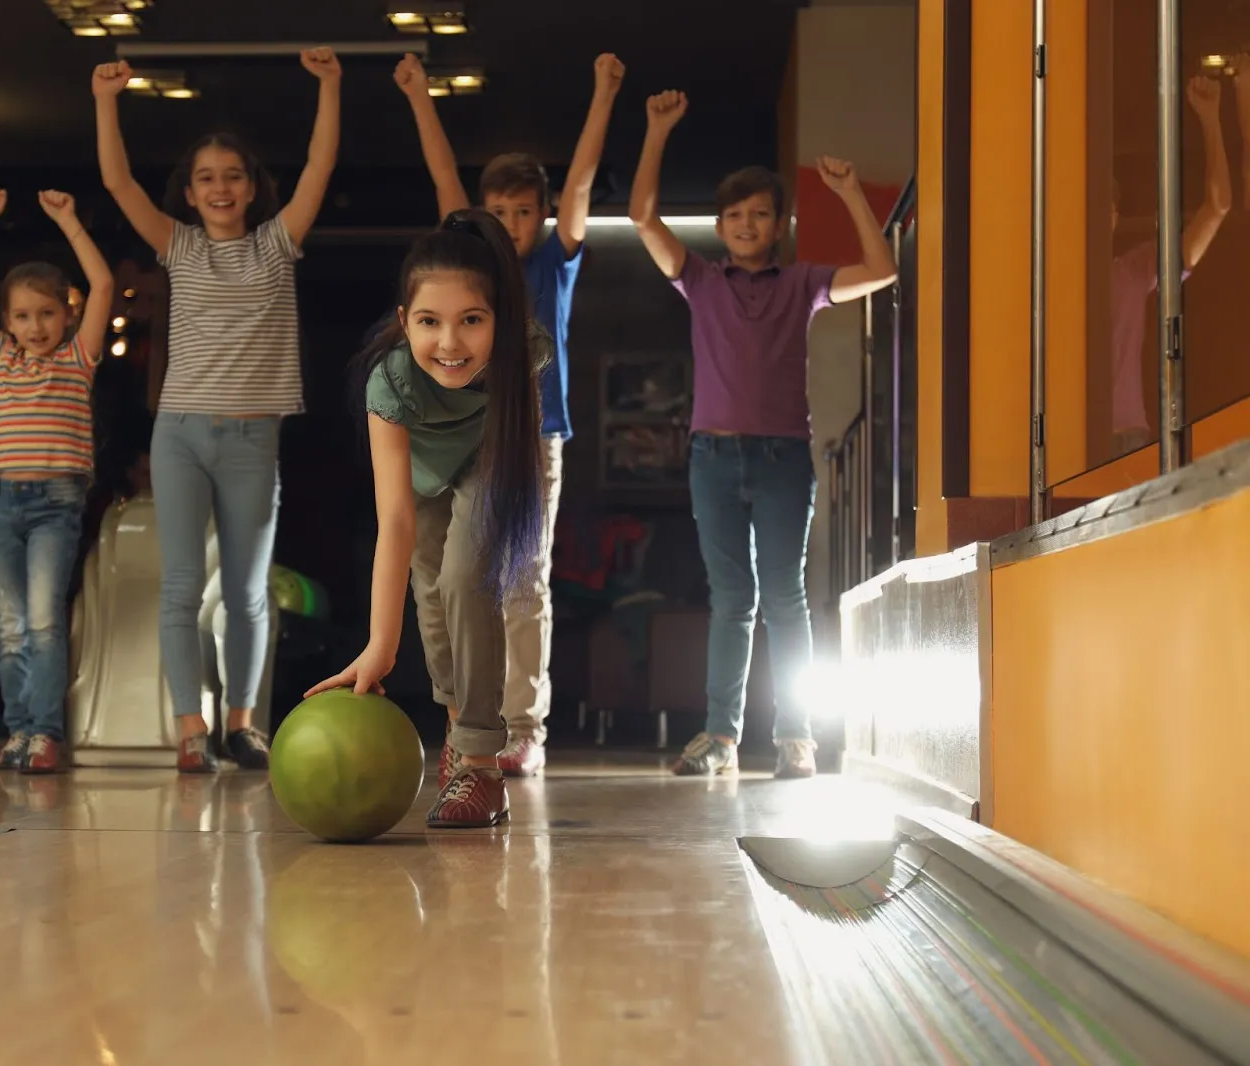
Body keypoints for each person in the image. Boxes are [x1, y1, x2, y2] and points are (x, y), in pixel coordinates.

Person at [628, 89, 897, 780]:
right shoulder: (700, 280)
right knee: (731, 599)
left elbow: (885, 269)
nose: (747, 224)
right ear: (719, 226)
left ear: (779, 224)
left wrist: (850, 195)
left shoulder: (804, 282)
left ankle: (796, 740)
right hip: (711, 457)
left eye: (760, 214)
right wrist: (657, 131)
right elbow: (641, 218)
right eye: (735, 216)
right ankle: (720, 737)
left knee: (784, 597)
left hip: (782, 460)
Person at [91, 49, 341, 773]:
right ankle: (189, 729)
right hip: (181, 435)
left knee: (246, 589)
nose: (221, 187)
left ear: (254, 186)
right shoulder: (177, 245)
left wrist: (328, 86)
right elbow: (115, 179)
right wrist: (106, 100)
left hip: (252, 438)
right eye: (207, 178)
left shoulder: (277, 243)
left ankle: (242, 723)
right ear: (190, 192)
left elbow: (320, 168)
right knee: (179, 586)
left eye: (233, 175)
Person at [392, 51, 624, 778]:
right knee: (446, 577)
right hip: (459, 438)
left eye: (527, 210)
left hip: (533, 440)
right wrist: (419, 97)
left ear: (544, 215)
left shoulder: (554, 261)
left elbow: (582, 179)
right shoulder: (467, 269)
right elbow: (442, 179)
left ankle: (525, 727)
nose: (515, 222)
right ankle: (467, 716)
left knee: (523, 581)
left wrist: (604, 92)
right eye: (502, 211)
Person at [306, 208, 547, 829]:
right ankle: (457, 727)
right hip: (423, 481)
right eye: (429, 322)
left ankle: (481, 765)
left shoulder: (525, 355)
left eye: (472, 320)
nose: (450, 342)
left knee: (469, 577)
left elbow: (515, 449)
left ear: (501, 321)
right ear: (403, 323)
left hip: (490, 461)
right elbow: (395, 522)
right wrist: (379, 650)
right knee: (433, 601)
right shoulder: (390, 383)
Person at [0, 187, 115, 773]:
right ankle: (18, 730)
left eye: (47, 313)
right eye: (22, 315)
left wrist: (70, 221)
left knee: (43, 620)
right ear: (6, 322)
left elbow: (103, 285)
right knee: (10, 625)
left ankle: (45, 733)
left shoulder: (79, 358)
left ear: (67, 314)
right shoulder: (0, 356)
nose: (35, 325)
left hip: (54, 503)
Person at [1109, 74, 1229, 458]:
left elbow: (1218, 207)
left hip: (1129, 441)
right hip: (1065, 448)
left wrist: (1210, 119)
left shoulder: (1129, 271)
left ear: (1114, 217)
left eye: (1106, 207)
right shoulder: (1047, 282)